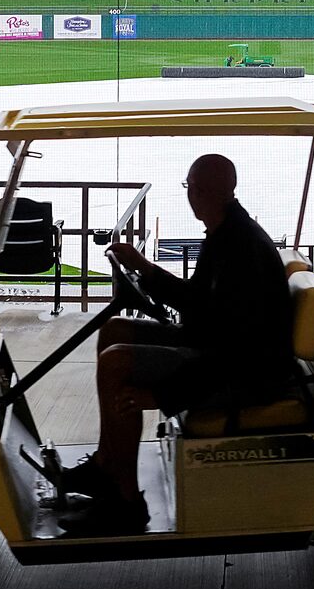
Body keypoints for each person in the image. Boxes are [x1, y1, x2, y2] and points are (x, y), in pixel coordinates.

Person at [58, 151, 296, 534]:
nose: (189, 196)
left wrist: (168, 394)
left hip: (243, 369)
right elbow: (198, 302)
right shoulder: (226, 233)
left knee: (118, 361)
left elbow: (240, 348)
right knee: (115, 331)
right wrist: (144, 268)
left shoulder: (241, 250)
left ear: (201, 192)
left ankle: (125, 499)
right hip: (214, 344)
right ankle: (106, 464)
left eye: (191, 188)